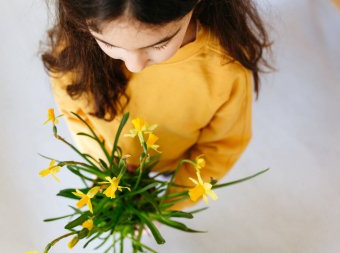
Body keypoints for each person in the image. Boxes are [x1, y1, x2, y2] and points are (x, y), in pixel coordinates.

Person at [41, 0, 272, 210]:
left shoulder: (225, 72)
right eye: (108, 44)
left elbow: (221, 147)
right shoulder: (74, 49)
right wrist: (105, 164)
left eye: (159, 45)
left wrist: (168, 203)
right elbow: (75, 114)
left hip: (175, 164)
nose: (134, 65)